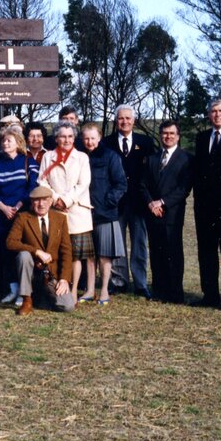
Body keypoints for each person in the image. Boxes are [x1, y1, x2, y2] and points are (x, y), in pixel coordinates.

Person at [102, 104, 155, 298]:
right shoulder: (106, 143)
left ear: (134, 120)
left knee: (139, 243)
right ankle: (119, 281)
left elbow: (151, 173)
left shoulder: (145, 142)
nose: (124, 121)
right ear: (116, 121)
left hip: (139, 203)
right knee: (118, 243)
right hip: (116, 203)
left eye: (128, 118)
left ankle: (140, 283)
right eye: (120, 118)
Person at [38, 122, 94, 302]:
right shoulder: (48, 157)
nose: (67, 140)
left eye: (70, 136)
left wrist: (67, 200)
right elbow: (42, 181)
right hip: (55, 210)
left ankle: (74, 289)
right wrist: (56, 199)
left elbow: (83, 183)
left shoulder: (82, 157)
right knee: (57, 252)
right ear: (56, 138)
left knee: (76, 255)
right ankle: (56, 288)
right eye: (63, 136)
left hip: (77, 211)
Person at [192, 96, 221, 310]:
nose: (217, 114)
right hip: (204, 206)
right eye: (213, 111)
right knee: (206, 252)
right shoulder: (202, 138)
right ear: (209, 115)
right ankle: (209, 295)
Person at [0, 126, 39, 304]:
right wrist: (2, 207)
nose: (5, 143)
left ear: (18, 143)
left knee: (21, 252)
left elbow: (33, 186)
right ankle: (13, 289)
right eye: (3, 140)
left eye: (9, 140)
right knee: (5, 251)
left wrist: (18, 205)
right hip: (2, 215)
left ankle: (25, 292)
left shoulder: (28, 162)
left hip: (21, 214)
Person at [139, 120, 192, 304]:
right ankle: (159, 290)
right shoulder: (152, 158)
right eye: (164, 133)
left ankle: (175, 293)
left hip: (172, 213)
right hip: (153, 213)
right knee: (156, 251)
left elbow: (184, 188)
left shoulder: (186, 158)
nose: (167, 136)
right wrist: (151, 204)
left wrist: (162, 203)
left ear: (178, 136)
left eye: (171, 133)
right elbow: (142, 184)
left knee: (173, 253)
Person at [6, 185, 75, 315]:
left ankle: (40, 298)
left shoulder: (60, 219)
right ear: (32, 202)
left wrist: (64, 279)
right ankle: (26, 300)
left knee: (68, 306)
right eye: (37, 200)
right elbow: (10, 242)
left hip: (50, 274)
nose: (41, 204)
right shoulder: (23, 217)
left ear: (51, 201)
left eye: (45, 199)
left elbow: (66, 251)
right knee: (24, 255)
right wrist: (36, 251)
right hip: (31, 273)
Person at [82, 123, 126, 305]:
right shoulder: (80, 156)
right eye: (86, 138)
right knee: (89, 255)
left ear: (99, 137)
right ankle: (90, 290)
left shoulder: (110, 156)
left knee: (104, 254)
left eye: (93, 138)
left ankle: (105, 290)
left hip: (105, 213)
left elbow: (121, 184)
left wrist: (108, 201)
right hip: (84, 213)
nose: (89, 142)